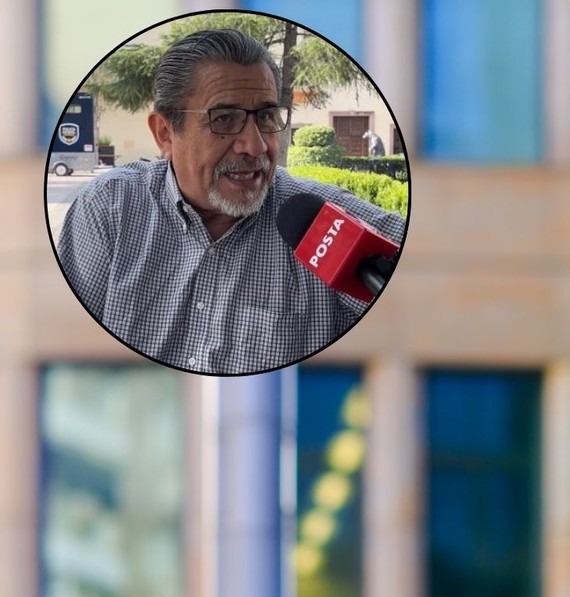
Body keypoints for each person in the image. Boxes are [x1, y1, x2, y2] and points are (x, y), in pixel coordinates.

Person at [55, 28, 406, 375]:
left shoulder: (322, 221)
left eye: (267, 117)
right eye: (224, 119)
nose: (255, 147)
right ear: (165, 133)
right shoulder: (110, 209)